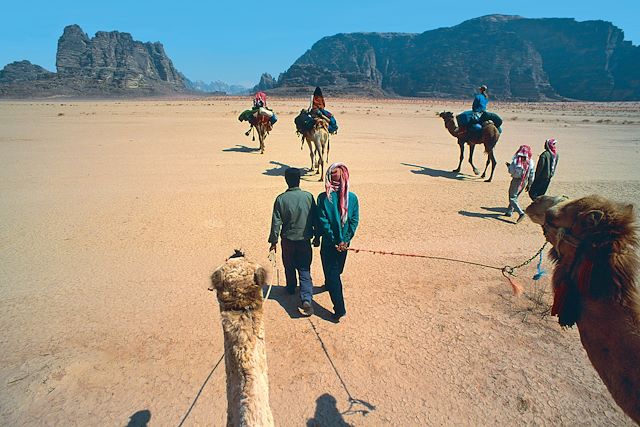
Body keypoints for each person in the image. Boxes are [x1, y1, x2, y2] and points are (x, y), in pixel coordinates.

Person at [268, 168, 319, 316]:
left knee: (289, 266)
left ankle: (291, 287)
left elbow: (276, 222)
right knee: (304, 269)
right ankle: (306, 299)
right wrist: (317, 236)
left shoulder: (281, 199)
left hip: (288, 240)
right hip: (304, 240)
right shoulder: (308, 197)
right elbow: (315, 219)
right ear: (299, 180)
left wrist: (273, 241)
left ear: (286, 180)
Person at [316, 163, 359, 321]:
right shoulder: (352, 198)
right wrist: (345, 240)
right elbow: (354, 221)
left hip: (329, 244)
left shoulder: (323, 198)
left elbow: (323, 222)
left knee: (333, 273)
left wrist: (335, 240)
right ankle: (329, 284)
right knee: (337, 270)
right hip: (344, 246)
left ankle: (339, 309)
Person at [505, 145, 535, 223]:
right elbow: (531, 175)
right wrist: (529, 184)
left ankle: (521, 213)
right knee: (516, 196)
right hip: (524, 181)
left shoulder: (516, 161)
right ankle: (509, 211)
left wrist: (508, 166)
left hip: (516, 181)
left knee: (512, 197)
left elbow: (511, 171)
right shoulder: (530, 162)